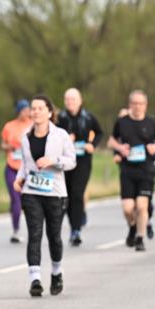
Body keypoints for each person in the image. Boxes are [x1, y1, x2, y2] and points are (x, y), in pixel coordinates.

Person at [12, 95, 76, 297]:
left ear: (50, 112)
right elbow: (26, 162)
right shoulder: (25, 136)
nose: (36, 111)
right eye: (33, 108)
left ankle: (56, 273)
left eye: (40, 108)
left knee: (54, 237)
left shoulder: (61, 135)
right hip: (31, 191)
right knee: (35, 234)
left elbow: (71, 161)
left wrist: (53, 160)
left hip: (55, 192)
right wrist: (19, 178)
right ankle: (35, 279)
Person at [107, 90, 155, 252]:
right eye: (134, 103)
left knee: (141, 206)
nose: (138, 107)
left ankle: (140, 238)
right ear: (130, 104)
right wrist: (120, 147)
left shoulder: (152, 123)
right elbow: (111, 141)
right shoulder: (122, 122)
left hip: (146, 170)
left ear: (145, 105)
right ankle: (133, 227)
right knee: (127, 208)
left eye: (141, 104)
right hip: (127, 171)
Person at [56, 88, 104, 246]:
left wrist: (92, 144)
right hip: (65, 161)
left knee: (77, 194)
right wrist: (65, 140)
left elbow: (99, 132)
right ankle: (75, 223)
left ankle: (75, 231)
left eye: (73, 99)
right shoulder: (60, 118)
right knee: (67, 196)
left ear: (80, 100)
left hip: (83, 161)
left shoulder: (88, 117)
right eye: (67, 99)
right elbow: (52, 138)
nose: (70, 102)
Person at [1, 99, 32, 243]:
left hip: (27, 169)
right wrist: (10, 147)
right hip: (11, 167)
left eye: (28, 109)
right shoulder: (9, 126)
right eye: (25, 110)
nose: (28, 112)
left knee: (27, 201)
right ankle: (16, 230)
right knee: (16, 200)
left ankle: (33, 228)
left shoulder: (33, 125)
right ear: (19, 111)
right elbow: (3, 144)